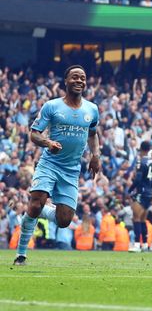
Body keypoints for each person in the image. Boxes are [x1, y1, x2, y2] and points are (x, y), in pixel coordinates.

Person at [14, 65, 101, 266]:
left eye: (83, 78)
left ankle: (39, 208)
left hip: (71, 170)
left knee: (64, 221)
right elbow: (34, 133)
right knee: (36, 203)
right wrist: (48, 143)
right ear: (66, 81)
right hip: (50, 163)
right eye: (75, 77)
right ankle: (21, 254)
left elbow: (93, 134)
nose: (79, 81)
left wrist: (96, 155)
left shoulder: (92, 109)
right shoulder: (52, 106)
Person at [127, 141, 152, 252]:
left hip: (141, 192)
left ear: (141, 149)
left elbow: (138, 179)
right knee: (143, 219)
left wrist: (130, 190)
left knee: (136, 218)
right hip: (149, 193)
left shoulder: (141, 162)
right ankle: (144, 244)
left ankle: (136, 244)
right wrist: (149, 188)